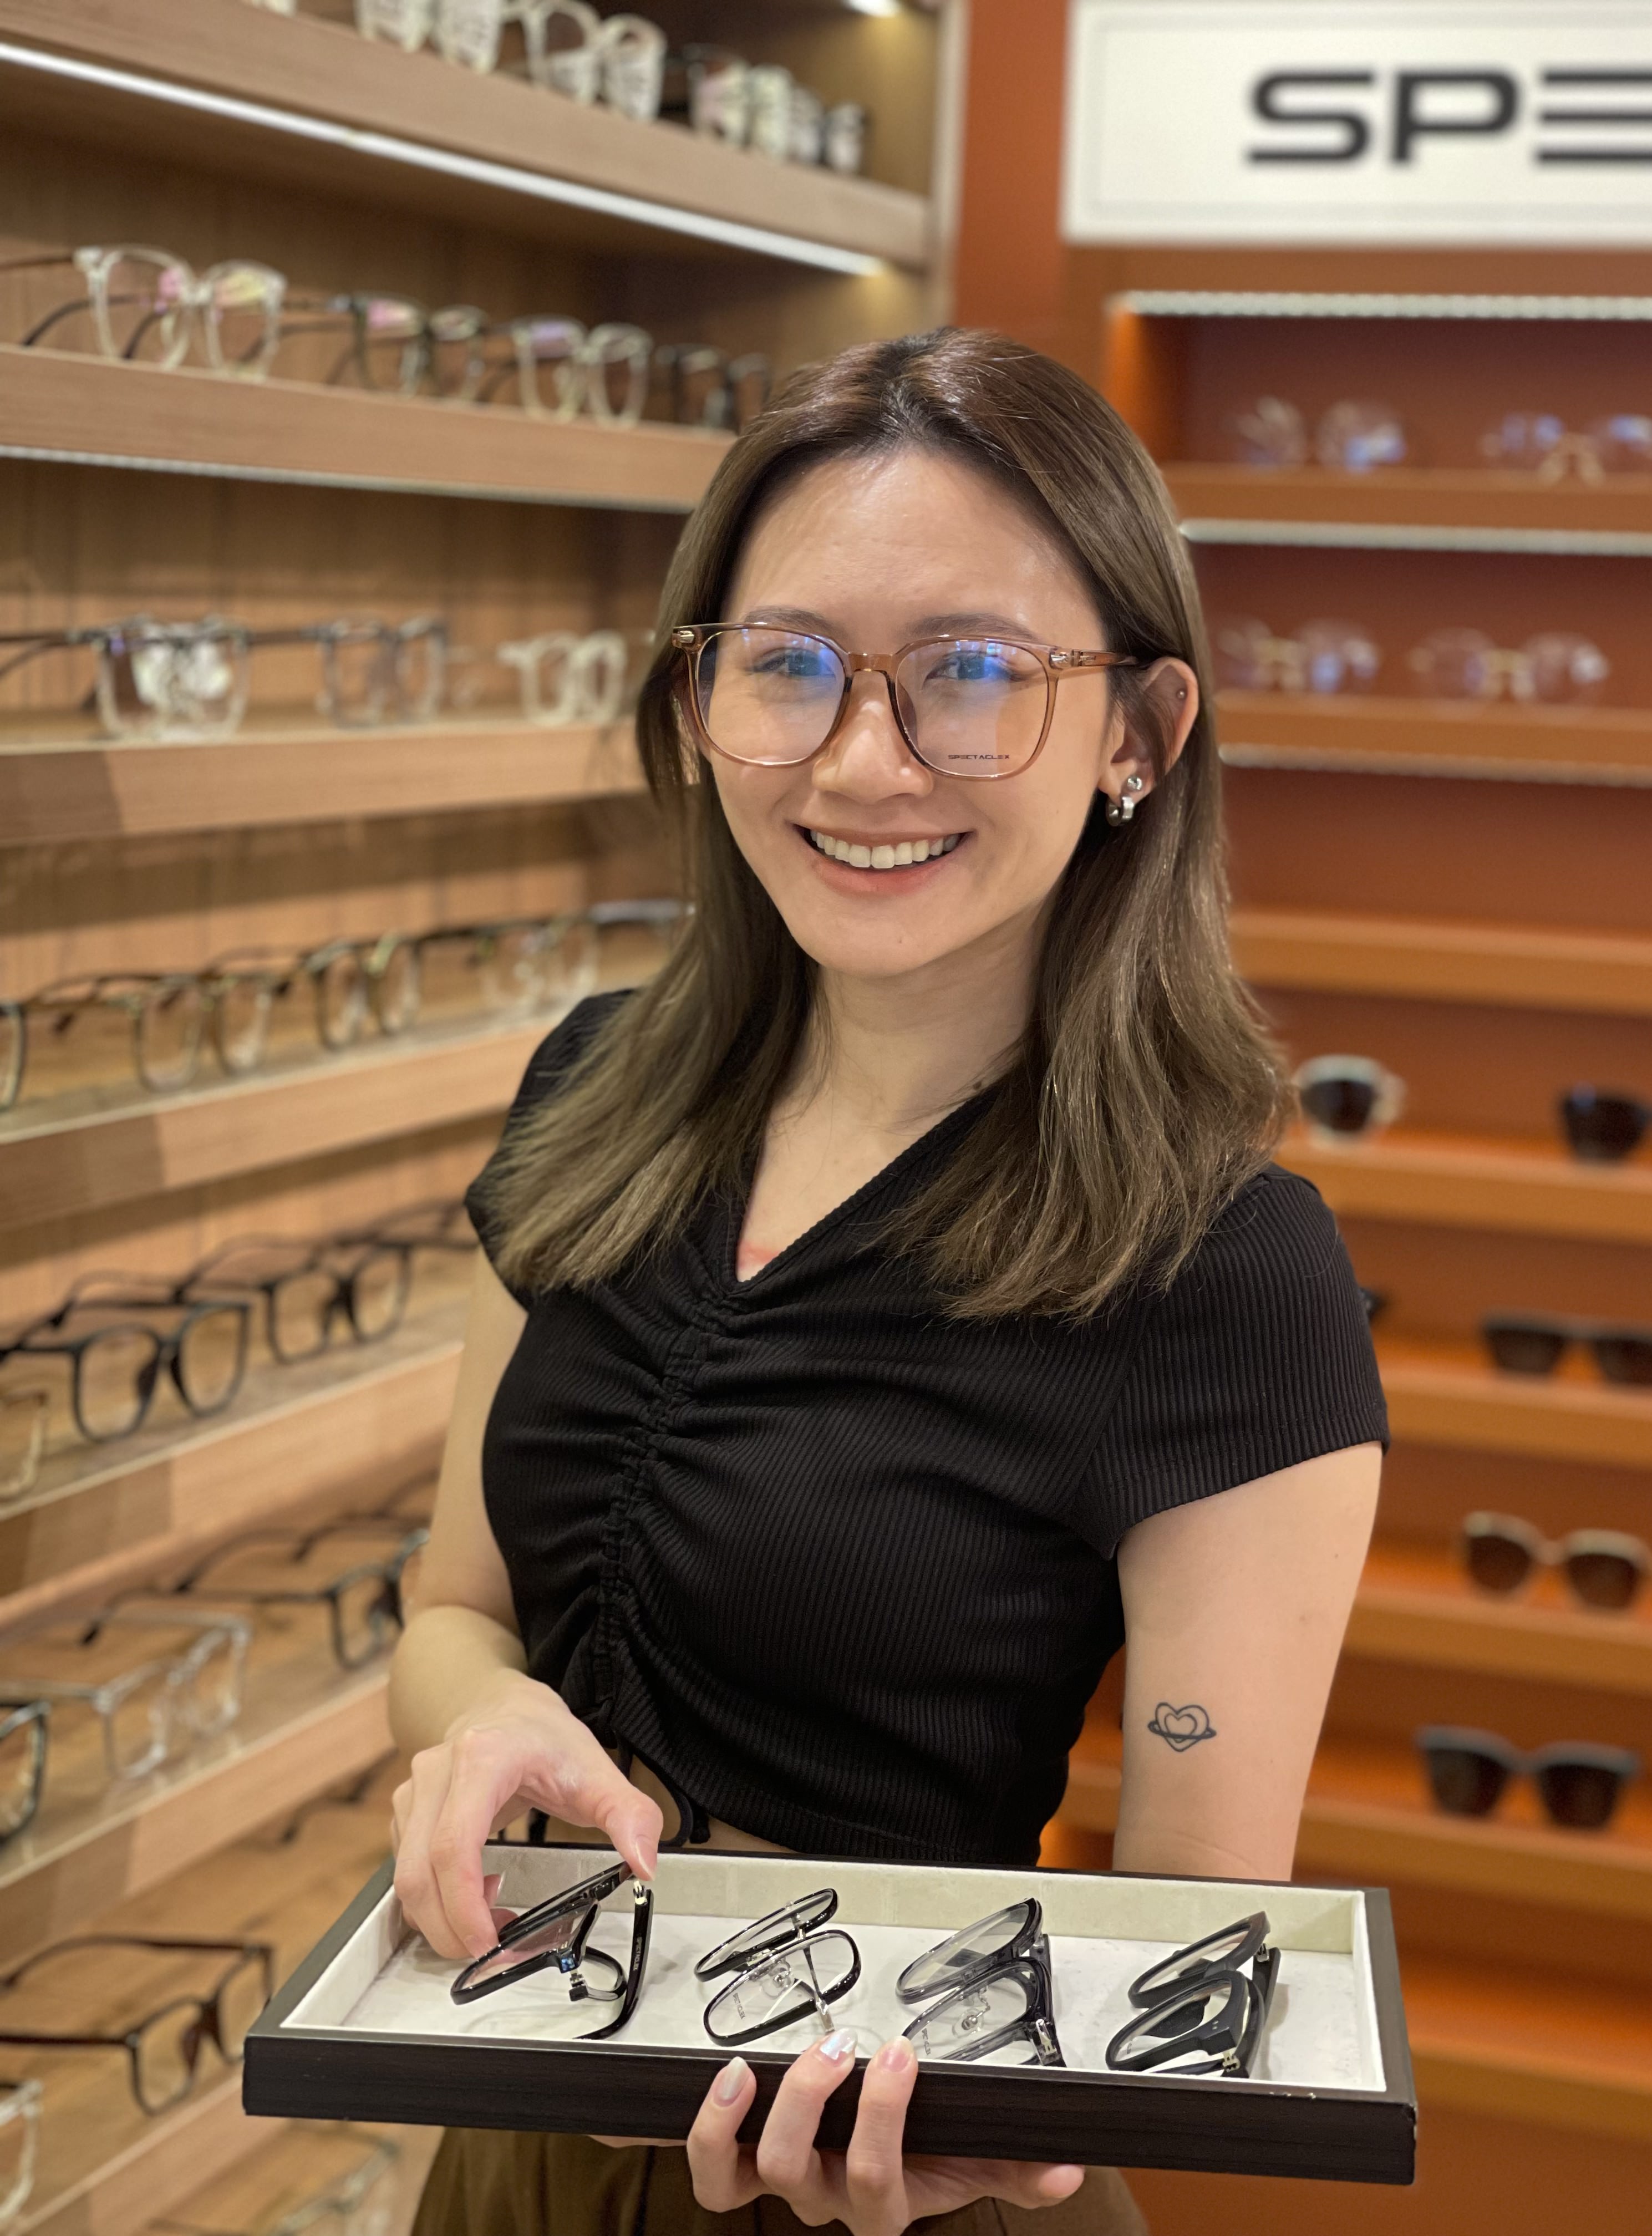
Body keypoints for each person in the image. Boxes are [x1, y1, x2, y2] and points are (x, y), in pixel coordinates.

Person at [392, 327, 1386, 2236]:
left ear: (1137, 736)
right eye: (787, 667)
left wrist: (1001, 2128)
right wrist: (490, 1728)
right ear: (699, 705)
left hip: (877, 2191)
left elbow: (1197, 1935)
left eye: (975, 676)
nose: (863, 760)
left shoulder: (1227, 1273)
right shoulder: (594, 1087)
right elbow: (456, 1612)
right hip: (508, 2136)